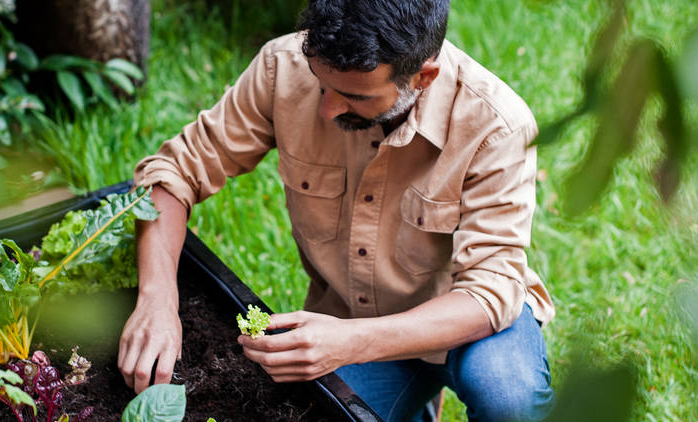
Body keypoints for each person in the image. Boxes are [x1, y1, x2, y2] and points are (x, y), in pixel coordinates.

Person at [118, 0, 556, 420]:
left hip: (467, 329)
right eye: (319, 82)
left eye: (353, 96)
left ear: (424, 77)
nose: (327, 109)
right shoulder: (282, 68)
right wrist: (157, 299)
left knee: (507, 395)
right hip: (351, 318)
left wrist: (351, 342)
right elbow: (172, 171)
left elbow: (489, 294)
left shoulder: (497, 126)